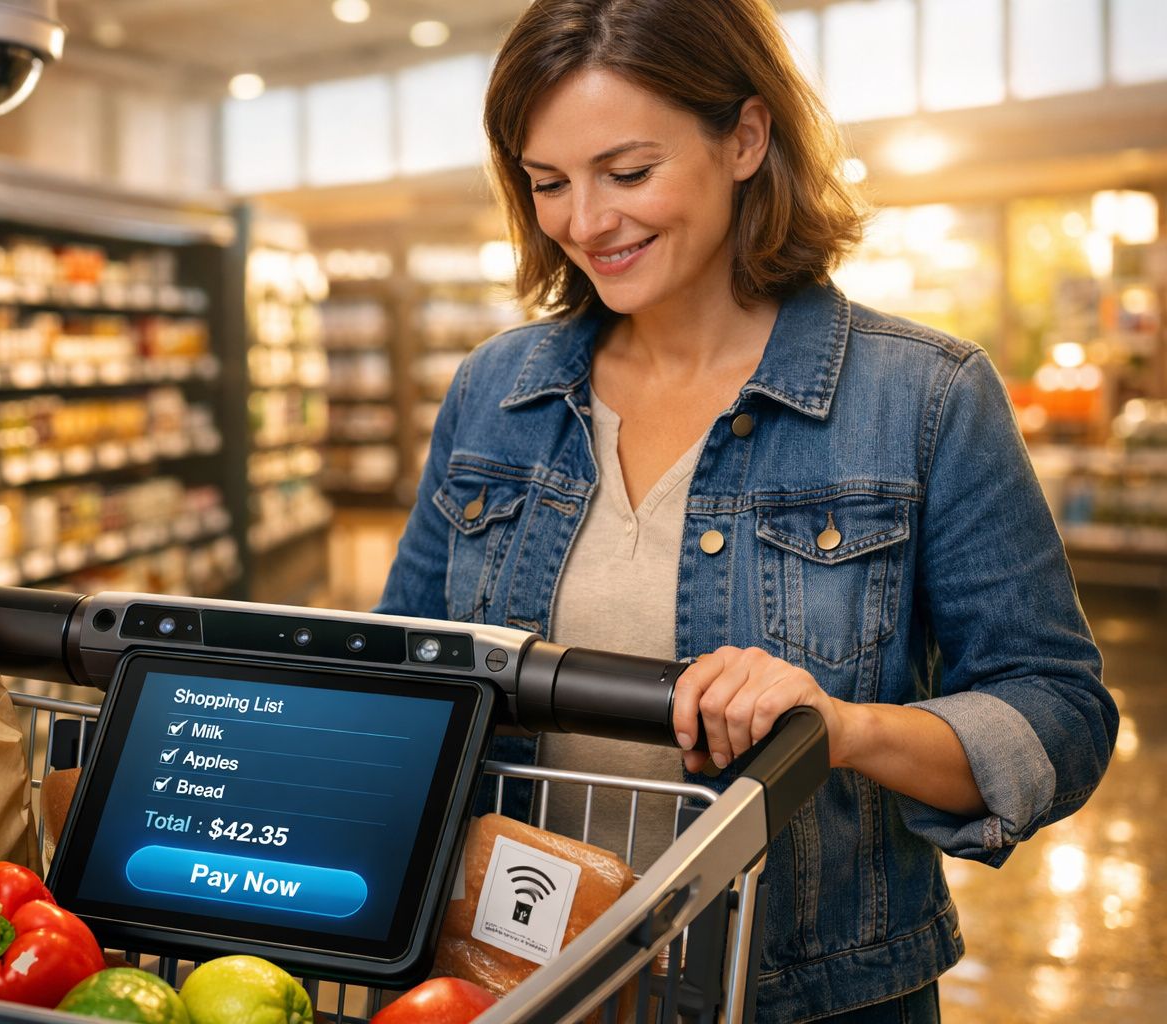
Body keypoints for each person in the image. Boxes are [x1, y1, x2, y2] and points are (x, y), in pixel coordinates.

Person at [375, 0, 1119, 1020]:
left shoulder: (922, 398)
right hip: (516, 985)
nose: (586, 221)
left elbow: (1060, 717)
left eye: (627, 173)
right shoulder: (494, 393)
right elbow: (397, 676)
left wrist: (844, 728)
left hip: (810, 996)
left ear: (745, 137)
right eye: (548, 183)